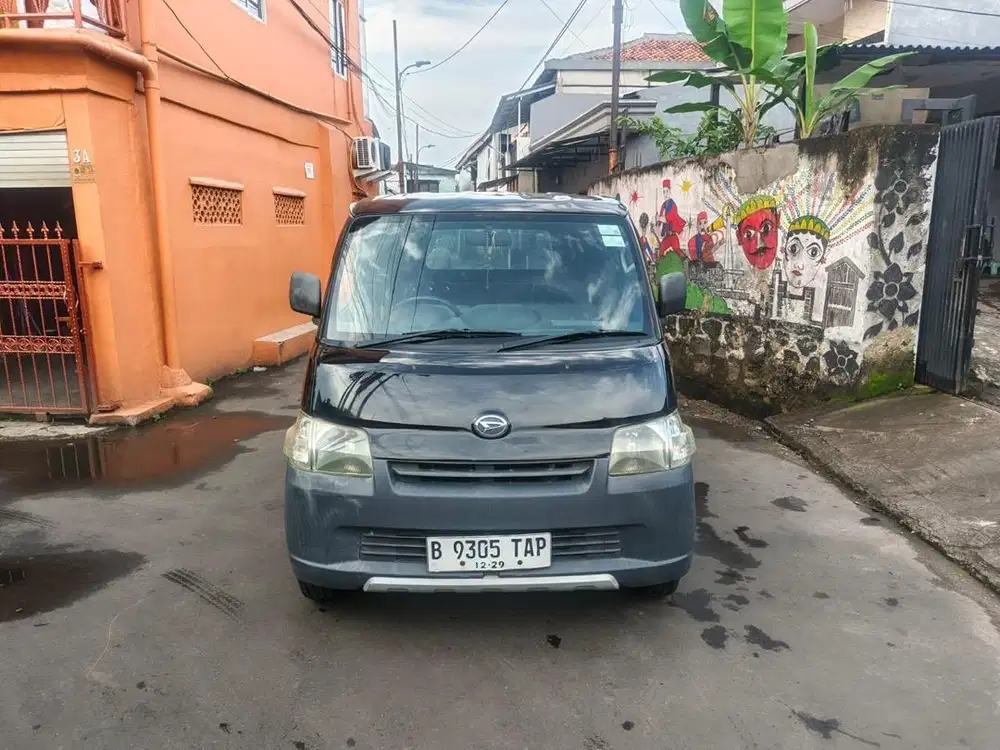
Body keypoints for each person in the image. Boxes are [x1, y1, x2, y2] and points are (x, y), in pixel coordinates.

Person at [656, 179, 686, 257]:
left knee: (678, 252)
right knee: (661, 251)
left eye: (667, 191)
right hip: (666, 236)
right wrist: (657, 220)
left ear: (670, 191)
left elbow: (667, 219)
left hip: (673, 236)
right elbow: (659, 223)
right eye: (664, 192)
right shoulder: (663, 205)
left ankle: (687, 263)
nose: (665, 194)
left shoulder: (673, 205)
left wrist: (659, 218)